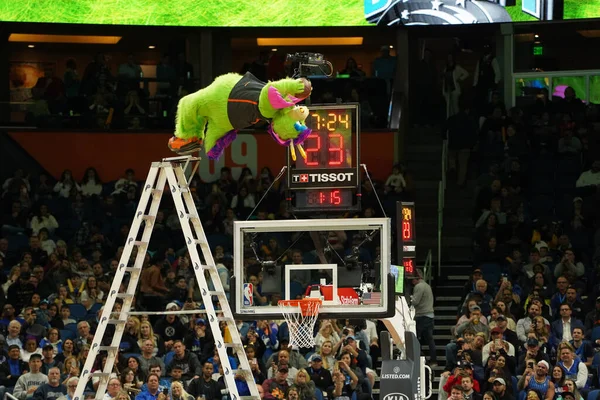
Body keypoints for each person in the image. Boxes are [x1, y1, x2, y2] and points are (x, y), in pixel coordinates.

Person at [411, 269, 437, 366]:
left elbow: (415, 301)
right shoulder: (427, 285)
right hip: (430, 315)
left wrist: (410, 299)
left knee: (417, 338)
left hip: (422, 316)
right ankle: (433, 360)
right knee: (429, 339)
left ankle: (419, 358)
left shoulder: (419, 286)